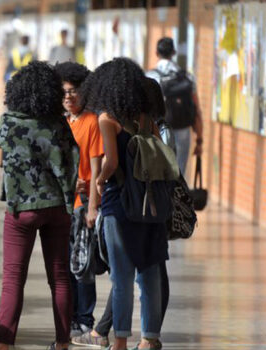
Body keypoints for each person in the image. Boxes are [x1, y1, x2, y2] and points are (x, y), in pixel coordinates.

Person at [71, 77, 173, 349]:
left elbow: (112, 161)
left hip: (121, 205)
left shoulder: (107, 119)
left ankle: (120, 341)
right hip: (150, 204)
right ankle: (149, 338)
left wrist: (100, 179)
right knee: (150, 272)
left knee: (122, 277)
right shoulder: (145, 118)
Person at [0, 61, 79, 350]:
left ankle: (4, 344)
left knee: (13, 278)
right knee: (60, 277)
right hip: (56, 206)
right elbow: (68, 163)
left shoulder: (8, 121)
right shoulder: (58, 122)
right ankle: (63, 341)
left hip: (21, 209)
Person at [54, 62, 103, 337]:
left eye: (73, 91)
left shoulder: (92, 121)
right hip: (61, 204)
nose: (69, 97)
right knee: (63, 265)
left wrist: (93, 206)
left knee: (82, 264)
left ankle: (85, 317)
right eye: (64, 93)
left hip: (82, 203)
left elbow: (96, 169)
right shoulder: (59, 122)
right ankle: (70, 316)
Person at [146, 37, 203, 175]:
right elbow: (196, 110)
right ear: (173, 53)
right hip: (182, 128)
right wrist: (199, 139)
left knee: (159, 171)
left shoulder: (150, 77)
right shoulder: (186, 77)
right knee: (179, 170)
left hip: (157, 129)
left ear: (156, 53)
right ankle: (176, 195)